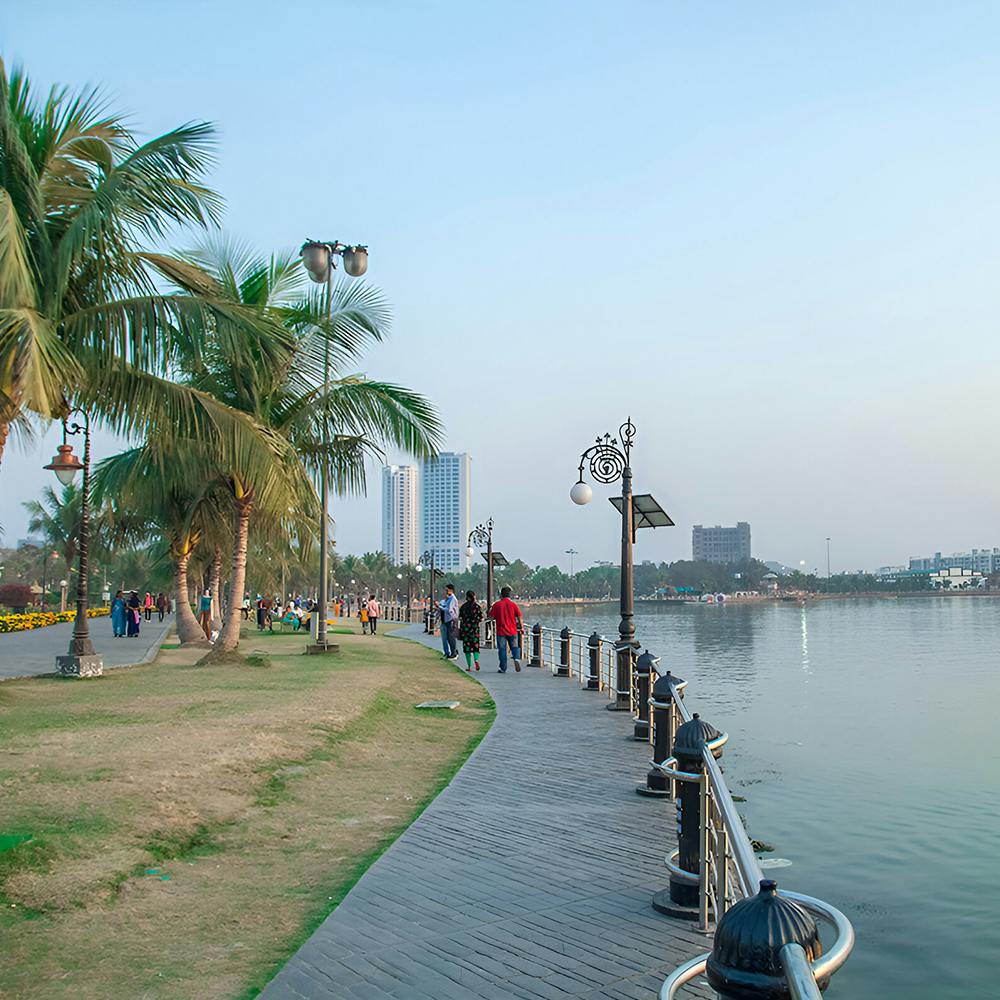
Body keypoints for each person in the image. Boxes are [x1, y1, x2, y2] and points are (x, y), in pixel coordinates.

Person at [489, 585, 523, 673]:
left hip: (501, 631)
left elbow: (491, 617)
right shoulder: (513, 605)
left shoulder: (497, 605)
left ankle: (503, 668)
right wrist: (522, 628)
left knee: (502, 649)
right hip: (512, 630)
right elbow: (519, 617)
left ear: (501, 594)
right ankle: (516, 658)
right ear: (509, 595)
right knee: (515, 647)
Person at [458, 590, 483, 671]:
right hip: (475, 629)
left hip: (466, 630)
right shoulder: (477, 607)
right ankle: (476, 660)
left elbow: (460, 617)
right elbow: (481, 618)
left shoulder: (463, 607)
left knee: (467, 648)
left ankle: (469, 667)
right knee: (475, 646)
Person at [438, 584, 459, 659]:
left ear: (451, 590)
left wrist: (440, 607)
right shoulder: (448, 598)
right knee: (447, 638)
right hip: (446, 620)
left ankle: (454, 652)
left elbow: (449, 610)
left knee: (451, 637)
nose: (446, 592)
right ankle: (449, 653)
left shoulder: (453, 599)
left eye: (447, 590)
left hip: (451, 620)